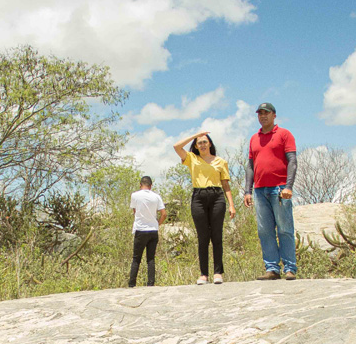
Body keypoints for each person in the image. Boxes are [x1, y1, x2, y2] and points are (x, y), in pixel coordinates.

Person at [243, 102, 298, 280]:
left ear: (274, 115)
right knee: (265, 231)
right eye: (260, 113)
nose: (263, 116)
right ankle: (272, 269)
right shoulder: (254, 138)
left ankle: (289, 268)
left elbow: (292, 161)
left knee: (284, 229)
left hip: (280, 188)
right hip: (260, 190)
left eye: (266, 113)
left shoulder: (284, 134)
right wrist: (247, 191)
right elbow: (250, 166)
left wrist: (288, 186)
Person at [174, 130, 235, 284]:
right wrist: (195, 135)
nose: (202, 145)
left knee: (217, 235)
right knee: (203, 237)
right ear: (196, 145)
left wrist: (231, 205)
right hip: (198, 197)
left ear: (210, 144)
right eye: (199, 143)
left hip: (217, 197)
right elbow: (176, 147)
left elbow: (225, 185)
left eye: (204, 142)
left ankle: (218, 273)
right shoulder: (192, 159)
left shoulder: (220, 161)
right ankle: (203, 274)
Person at [128, 175, 166, 287]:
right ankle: (150, 284)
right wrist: (157, 223)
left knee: (136, 258)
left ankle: (132, 284)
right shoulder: (156, 197)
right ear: (151, 186)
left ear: (140, 185)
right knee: (150, 259)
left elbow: (135, 211)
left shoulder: (135, 195)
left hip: (140, 229)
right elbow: (164, 214)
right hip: (153, 230)